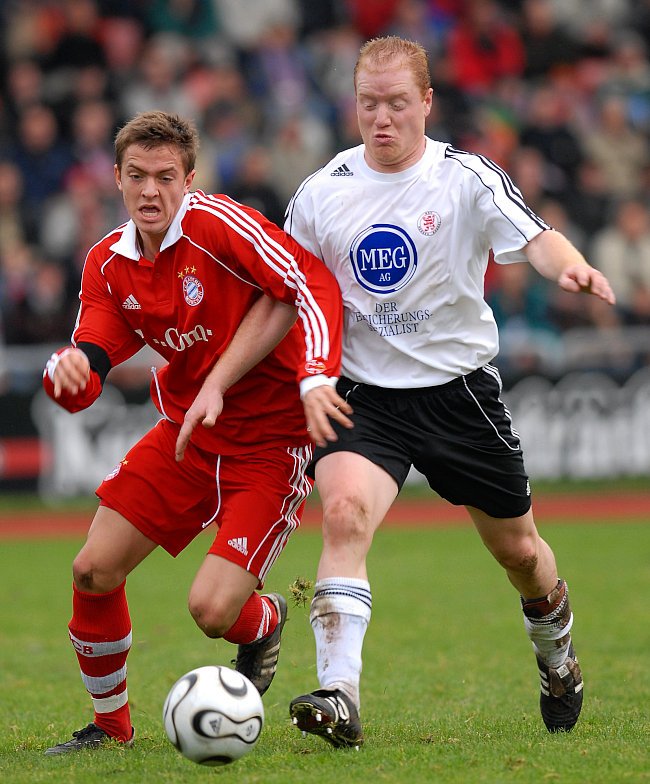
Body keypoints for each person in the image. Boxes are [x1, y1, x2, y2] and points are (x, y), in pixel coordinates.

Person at [286, 36, 616, 749]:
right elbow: (289, 293)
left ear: (427, 102)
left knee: (521, 554)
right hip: (364, 395)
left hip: (458, 394)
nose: (382, 117)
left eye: (397, 103)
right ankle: (340, 695)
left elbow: (537, 237)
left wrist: (572, 266)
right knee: (342, 515)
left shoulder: (465, 177)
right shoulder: (320, 192)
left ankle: (557, 655)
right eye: (369, 103)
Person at [41, 110, 351, 755]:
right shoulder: (107, 264)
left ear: (189, 180)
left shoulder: (219, 225)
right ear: (117, 178)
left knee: (212, 611)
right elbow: (91, 360)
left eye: (165, 177)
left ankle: (263, 619)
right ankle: (110, 727)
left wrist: (315, 375)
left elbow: (307, 282)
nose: (150, 190)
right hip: (187, 435)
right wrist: (67, 373)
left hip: (269, 445)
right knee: (92, 570)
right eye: (136, 176)